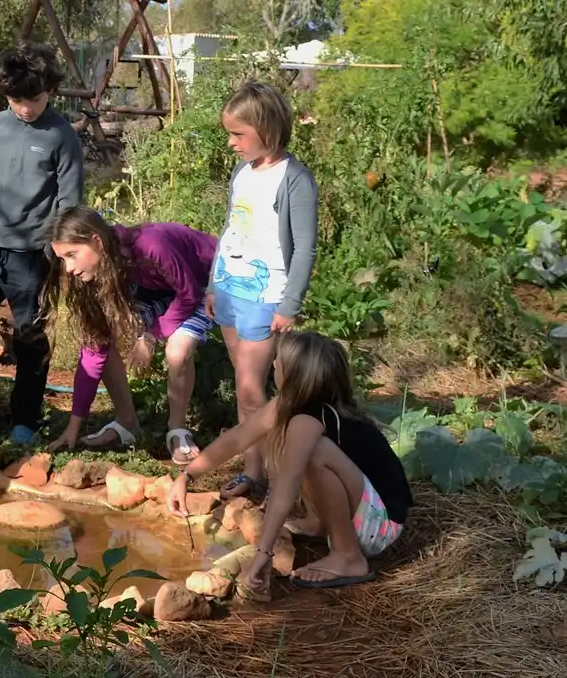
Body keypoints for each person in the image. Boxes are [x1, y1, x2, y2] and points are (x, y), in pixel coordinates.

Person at [166, 330, 413, 590]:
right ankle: (319, 524)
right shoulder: (291, 404)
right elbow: (237, 439)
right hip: (364, 508)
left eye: (278, 362)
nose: (273, 364)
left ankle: (348, 556)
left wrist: (264, 552)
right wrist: (186, 476)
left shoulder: (307, 421)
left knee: (313, 453)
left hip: (381, 525)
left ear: (293, 378)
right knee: (299, 451)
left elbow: (286, 486)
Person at [0, 42, 84, 446]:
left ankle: (25, 421)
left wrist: (54, 254)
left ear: (50, 91)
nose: (25, 108)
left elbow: (70, 204)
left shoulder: (62, 137)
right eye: (16, 100)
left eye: (35, 99)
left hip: (31, 256)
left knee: (31, 340)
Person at [209, 81, 318, 503]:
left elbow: (305, 245)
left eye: (238, 134)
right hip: (230, 290)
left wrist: (289, 304)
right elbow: (230, 229)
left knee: (253, 390)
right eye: (229, 135)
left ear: (267, 128)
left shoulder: (294, 179)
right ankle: (253, 472)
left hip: (266, 293)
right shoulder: (242, 172)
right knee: (246, 389)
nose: (232, 144)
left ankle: (275, 478)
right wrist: (213, 284)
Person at [43, 206, 217, 463]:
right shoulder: (102, 270)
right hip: (158, 286)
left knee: (177, 350)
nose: (68, 268)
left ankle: (177, 429)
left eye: (72, 255)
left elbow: (188, 293)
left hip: (205, 282)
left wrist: (149, 336)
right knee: (101, 334)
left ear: (97, 241)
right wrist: (74, 425)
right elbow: (94, 350)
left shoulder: (152, 246)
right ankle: (127, 423)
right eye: (62, 259)